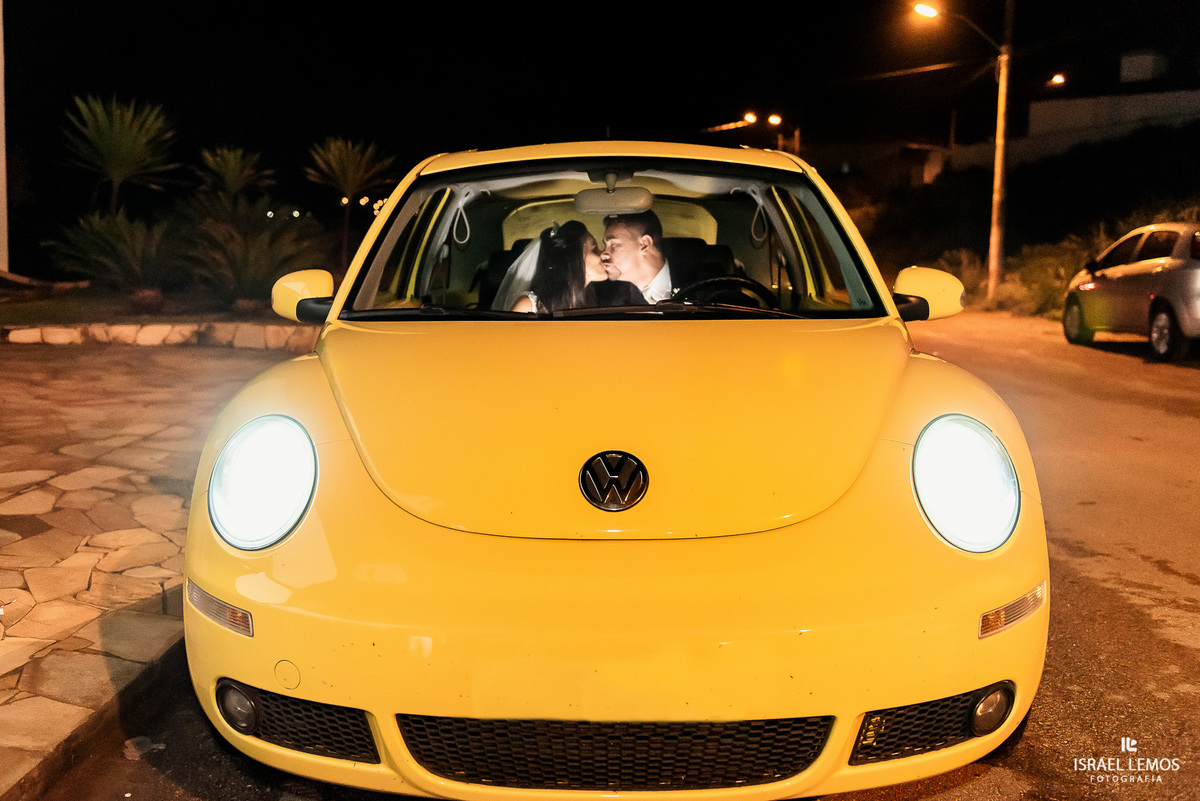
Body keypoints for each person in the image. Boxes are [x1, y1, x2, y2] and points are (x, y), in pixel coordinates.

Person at [503, 221, 644, 313]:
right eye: (594, 249)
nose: (602, 255)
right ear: (572, 260)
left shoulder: (594, 300)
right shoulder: (527, 306)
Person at [600, 210, 673, 303]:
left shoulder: (693, 279)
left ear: (644, 244)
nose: (603, 254)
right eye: (606, 245)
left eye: (613, 245)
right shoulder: (615, 301)